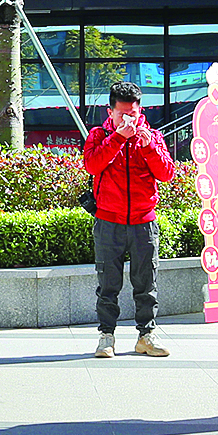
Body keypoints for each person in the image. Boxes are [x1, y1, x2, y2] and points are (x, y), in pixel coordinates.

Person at [82, 80, 177, 358]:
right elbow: (92, 165)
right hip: (108, 220)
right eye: (122, 114)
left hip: (143, 221)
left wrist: (148, 148)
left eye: (132, 114)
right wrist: (118, 138)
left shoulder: (151, 136)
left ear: (140, 111)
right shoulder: (99, 135)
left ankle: (146, 336)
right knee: (108, 283)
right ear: (110, 112)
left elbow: (166, 173)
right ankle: (106, 337)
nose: (128, 120)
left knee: (146, 283)